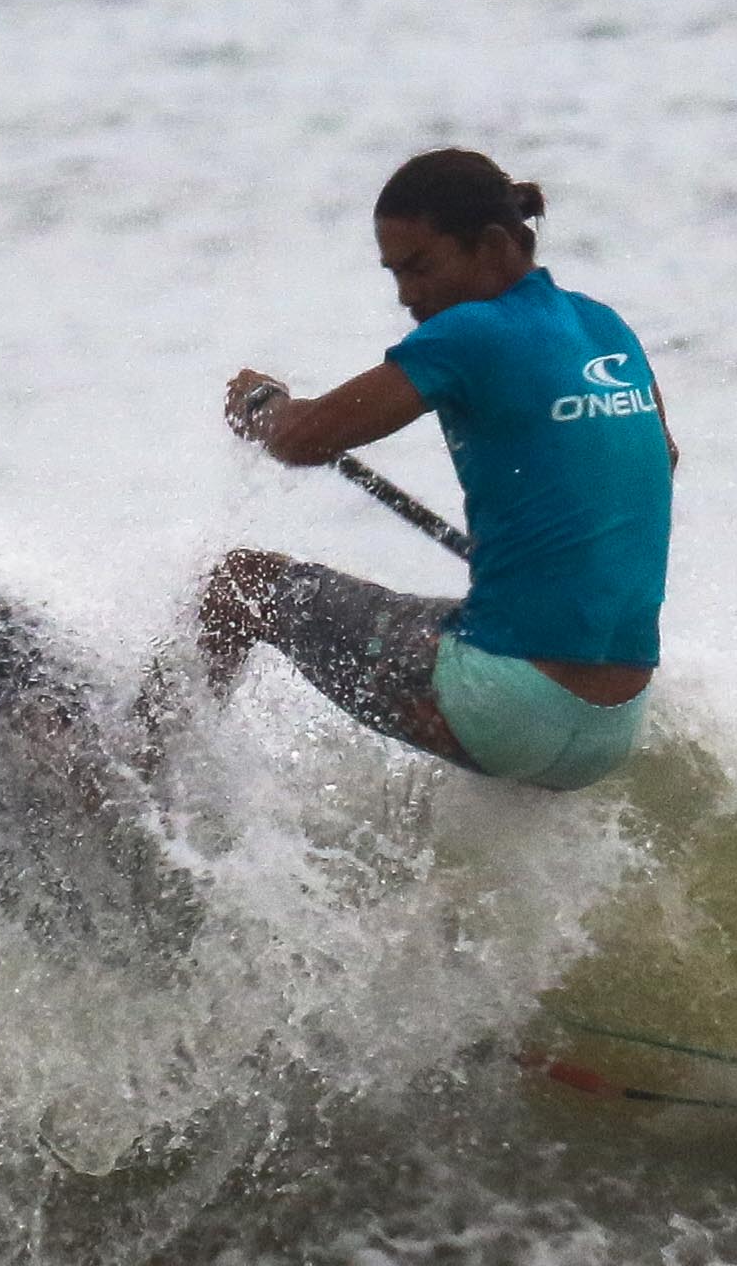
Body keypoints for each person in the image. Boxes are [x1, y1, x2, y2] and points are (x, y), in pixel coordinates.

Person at [149, 148, 675, 792]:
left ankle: (134, 784)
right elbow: (660, 460)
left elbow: (304, 439)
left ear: (491, 246)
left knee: (241, 584)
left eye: (420, 268)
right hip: (611, 726)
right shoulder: (606, 327)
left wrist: (263, 405)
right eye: (394, 274)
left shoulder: (470, 333)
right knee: (458, 621)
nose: (407, 296)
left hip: (510, 707)